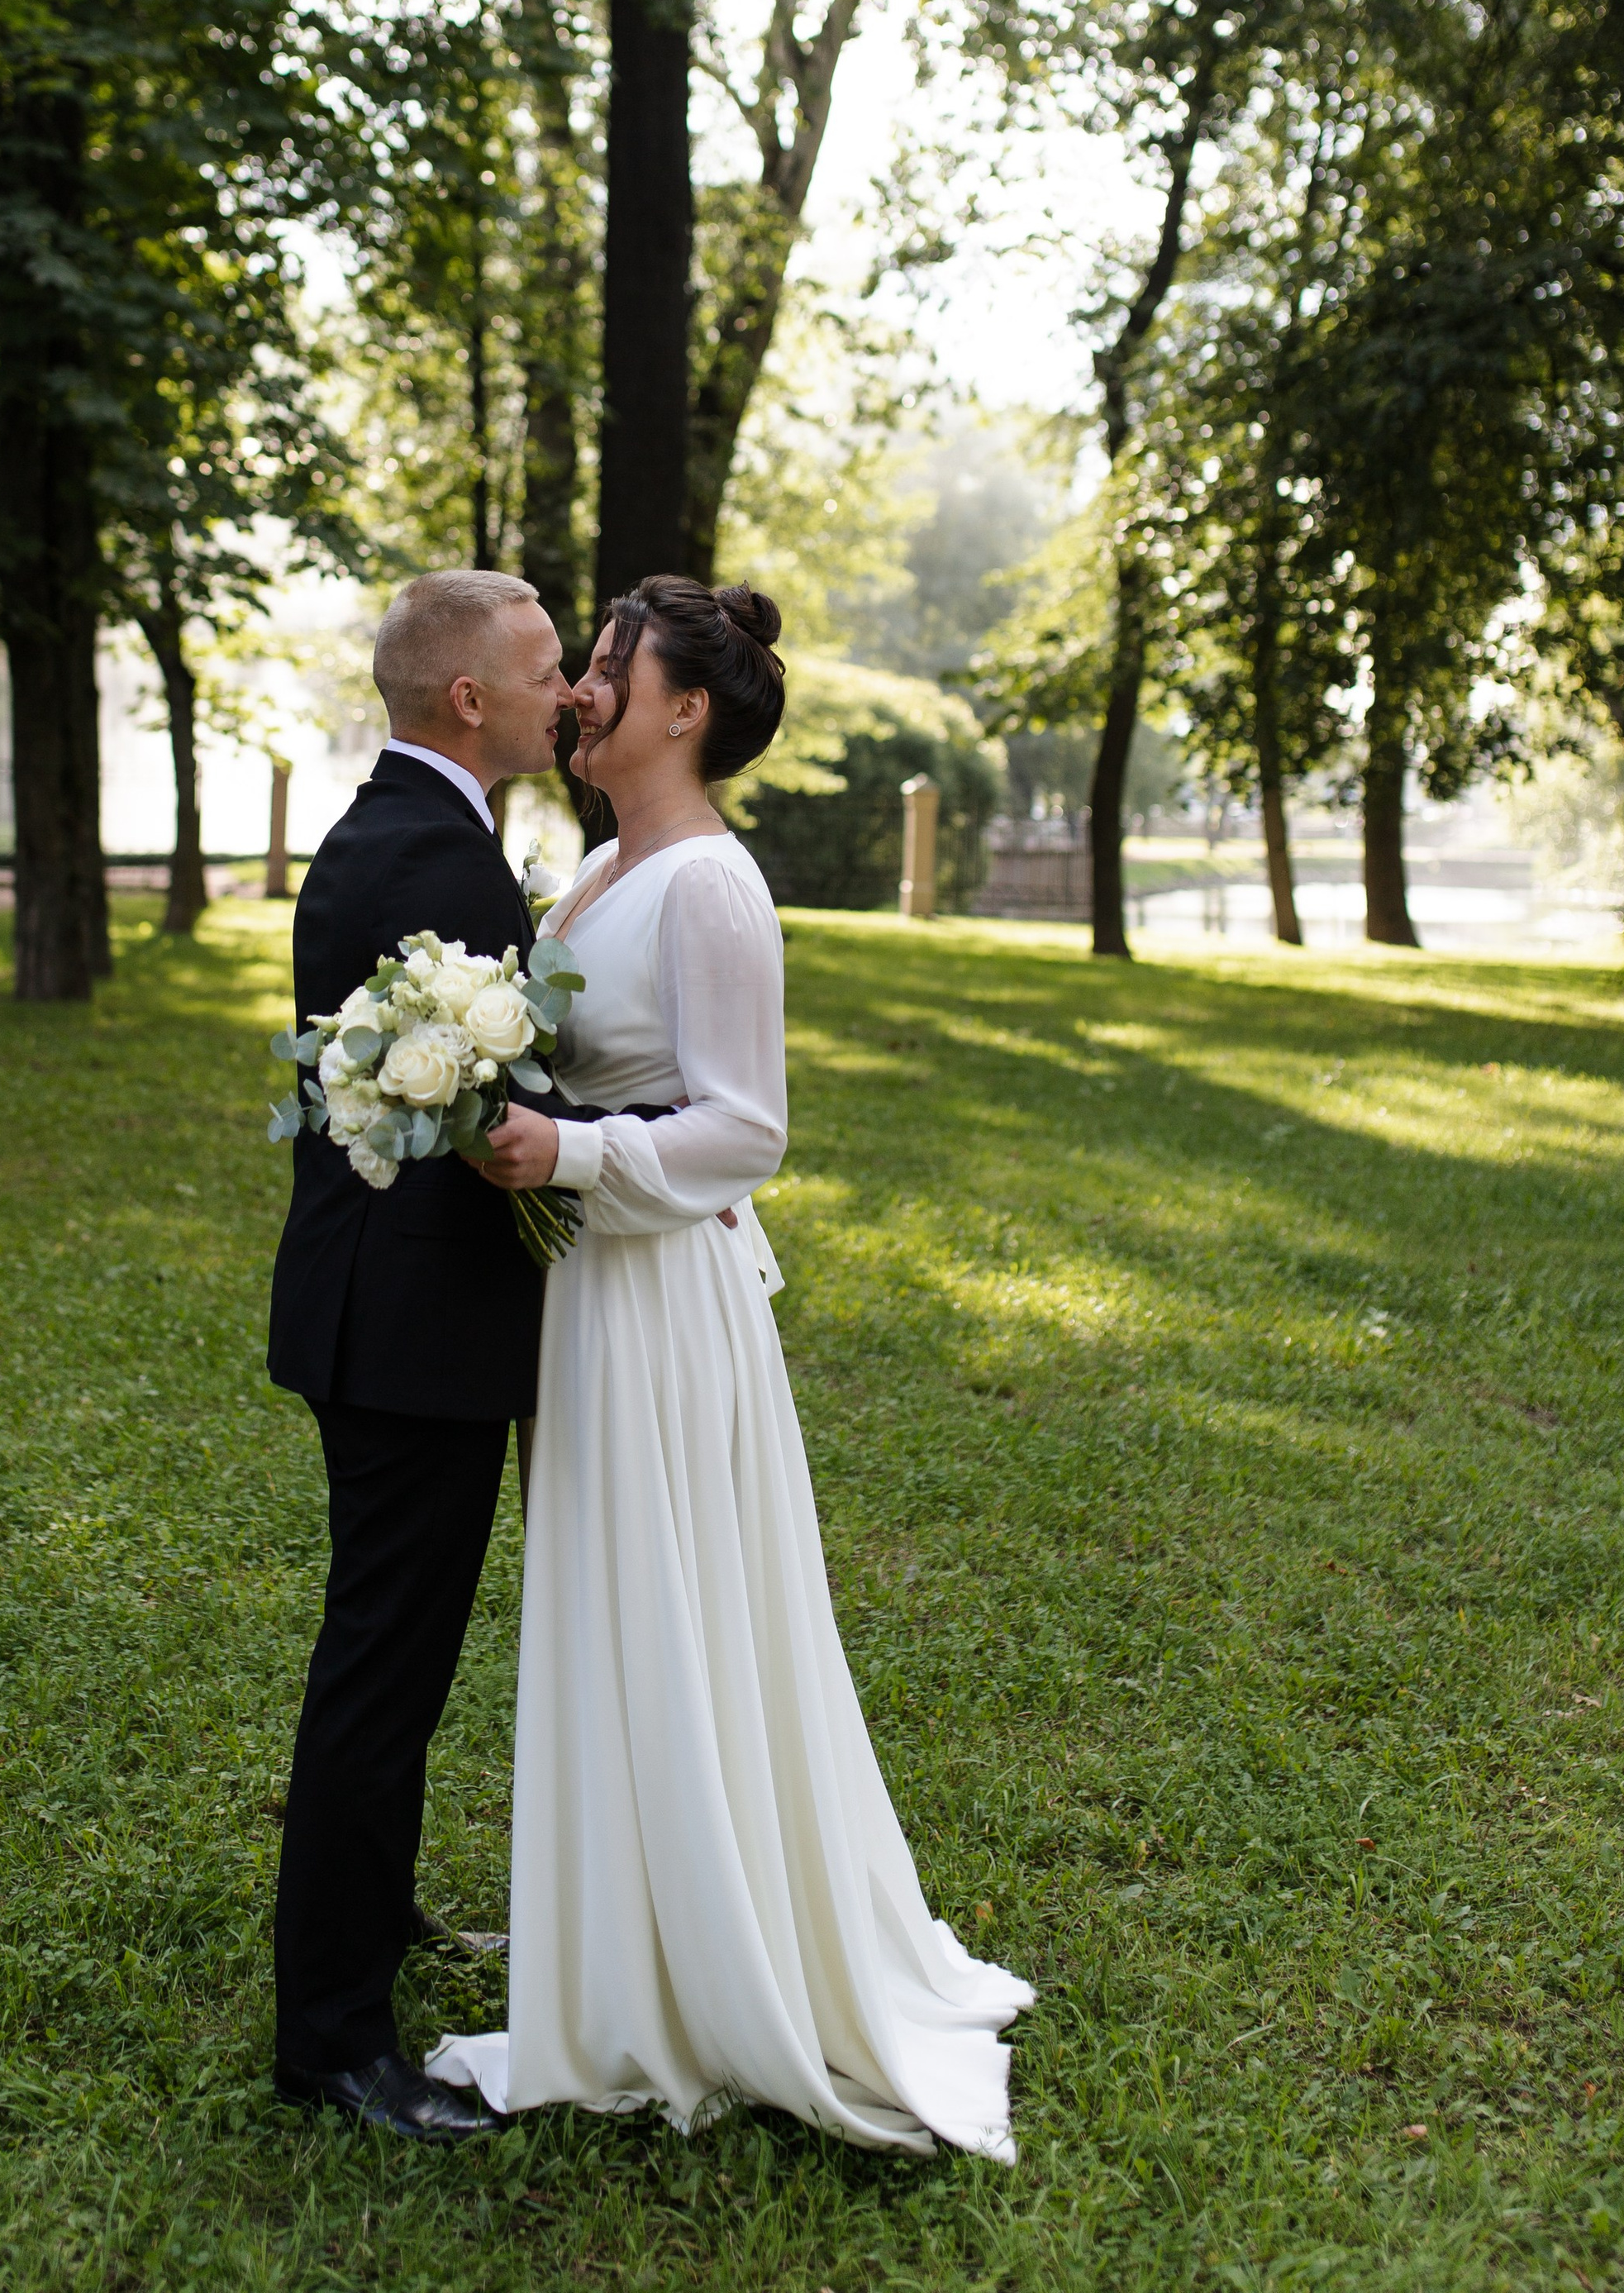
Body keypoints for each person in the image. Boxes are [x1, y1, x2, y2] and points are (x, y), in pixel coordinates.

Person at [427, 575, 1035, 2157]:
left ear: (684, 711)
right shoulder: (596, 871)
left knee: (673, 1606)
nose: (581, 694)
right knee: (614, 1608)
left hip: (659, 1300)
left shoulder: (710, 887)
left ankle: (705, 1961)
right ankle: (617, 1943)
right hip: (583, 1295)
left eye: (609, 671)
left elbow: (746, 1127)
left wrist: (565, 1146)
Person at [267, 568, 574, 2145]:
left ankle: (371, 1926)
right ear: (469, 699)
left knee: (398, 1659)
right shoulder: (423, 852)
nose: (568, 685)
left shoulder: (415, 828)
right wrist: (641, 1154)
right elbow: (478, 1105)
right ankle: (329, 2039)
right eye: (543, 665)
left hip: (390, 1316)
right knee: (383, 1674)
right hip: (406, 1334)